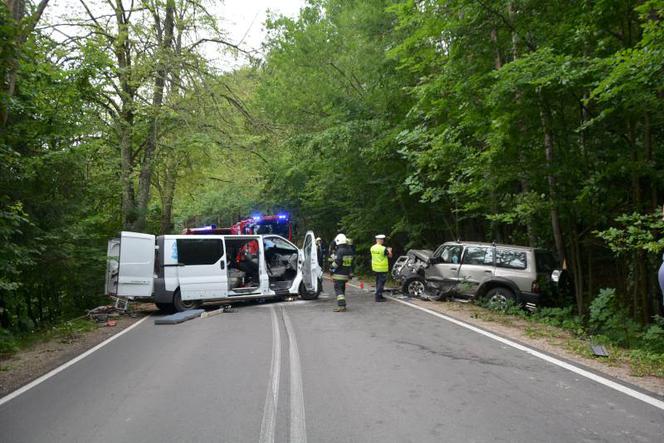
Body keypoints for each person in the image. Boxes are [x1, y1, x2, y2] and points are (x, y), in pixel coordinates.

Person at [330, 233, 354, 312]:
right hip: (346, 273)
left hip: (339, 274)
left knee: (338, 289)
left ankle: (341, 306)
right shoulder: (349, 250)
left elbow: (337, 262)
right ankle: (343, 305)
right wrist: (351, 272)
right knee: (342, 288)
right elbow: (351, 263)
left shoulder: (340, 251)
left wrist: (331, 267)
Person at [371, 234, 393, 302]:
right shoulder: (383, 248)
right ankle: (378, 297)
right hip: (382, 268)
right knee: (381, 282)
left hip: (375, 267)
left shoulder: (372, 247)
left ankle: (379, 295)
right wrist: (389, 250)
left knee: (378, 282)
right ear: (380, 240)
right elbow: (390, 256)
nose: (383, 241)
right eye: (382, 239)